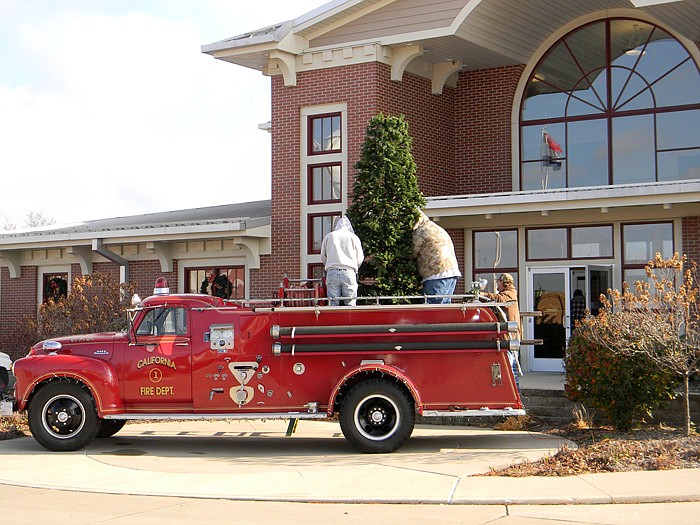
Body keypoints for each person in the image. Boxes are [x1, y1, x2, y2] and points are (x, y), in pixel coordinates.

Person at [412, 210, 462, 304]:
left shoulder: (420, 231)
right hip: (451, 271)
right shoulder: (435, 227)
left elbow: (412, 252)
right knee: (444, 307)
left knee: (433, 307)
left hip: (435, 273)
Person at [482, 273, 522, 389]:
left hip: (510, 338)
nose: (497, 284)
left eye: (498, 282)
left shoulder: (510, 294)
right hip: (506, 338)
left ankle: (515, 393)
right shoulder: (507, 294)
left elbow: (500, 299)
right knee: (510, 366)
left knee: (510, 368)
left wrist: (483, 294)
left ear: (503, 282)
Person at [320, 217, 364, 306]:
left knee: (333, 303)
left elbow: (323, 256)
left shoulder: (329, 236)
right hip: (349, 272)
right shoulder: (353, 237)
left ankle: (333, 320)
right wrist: (355, 267)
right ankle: (350, 319)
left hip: (332, 272)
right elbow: (360, 257)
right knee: (350, 303)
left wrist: (329, 265)